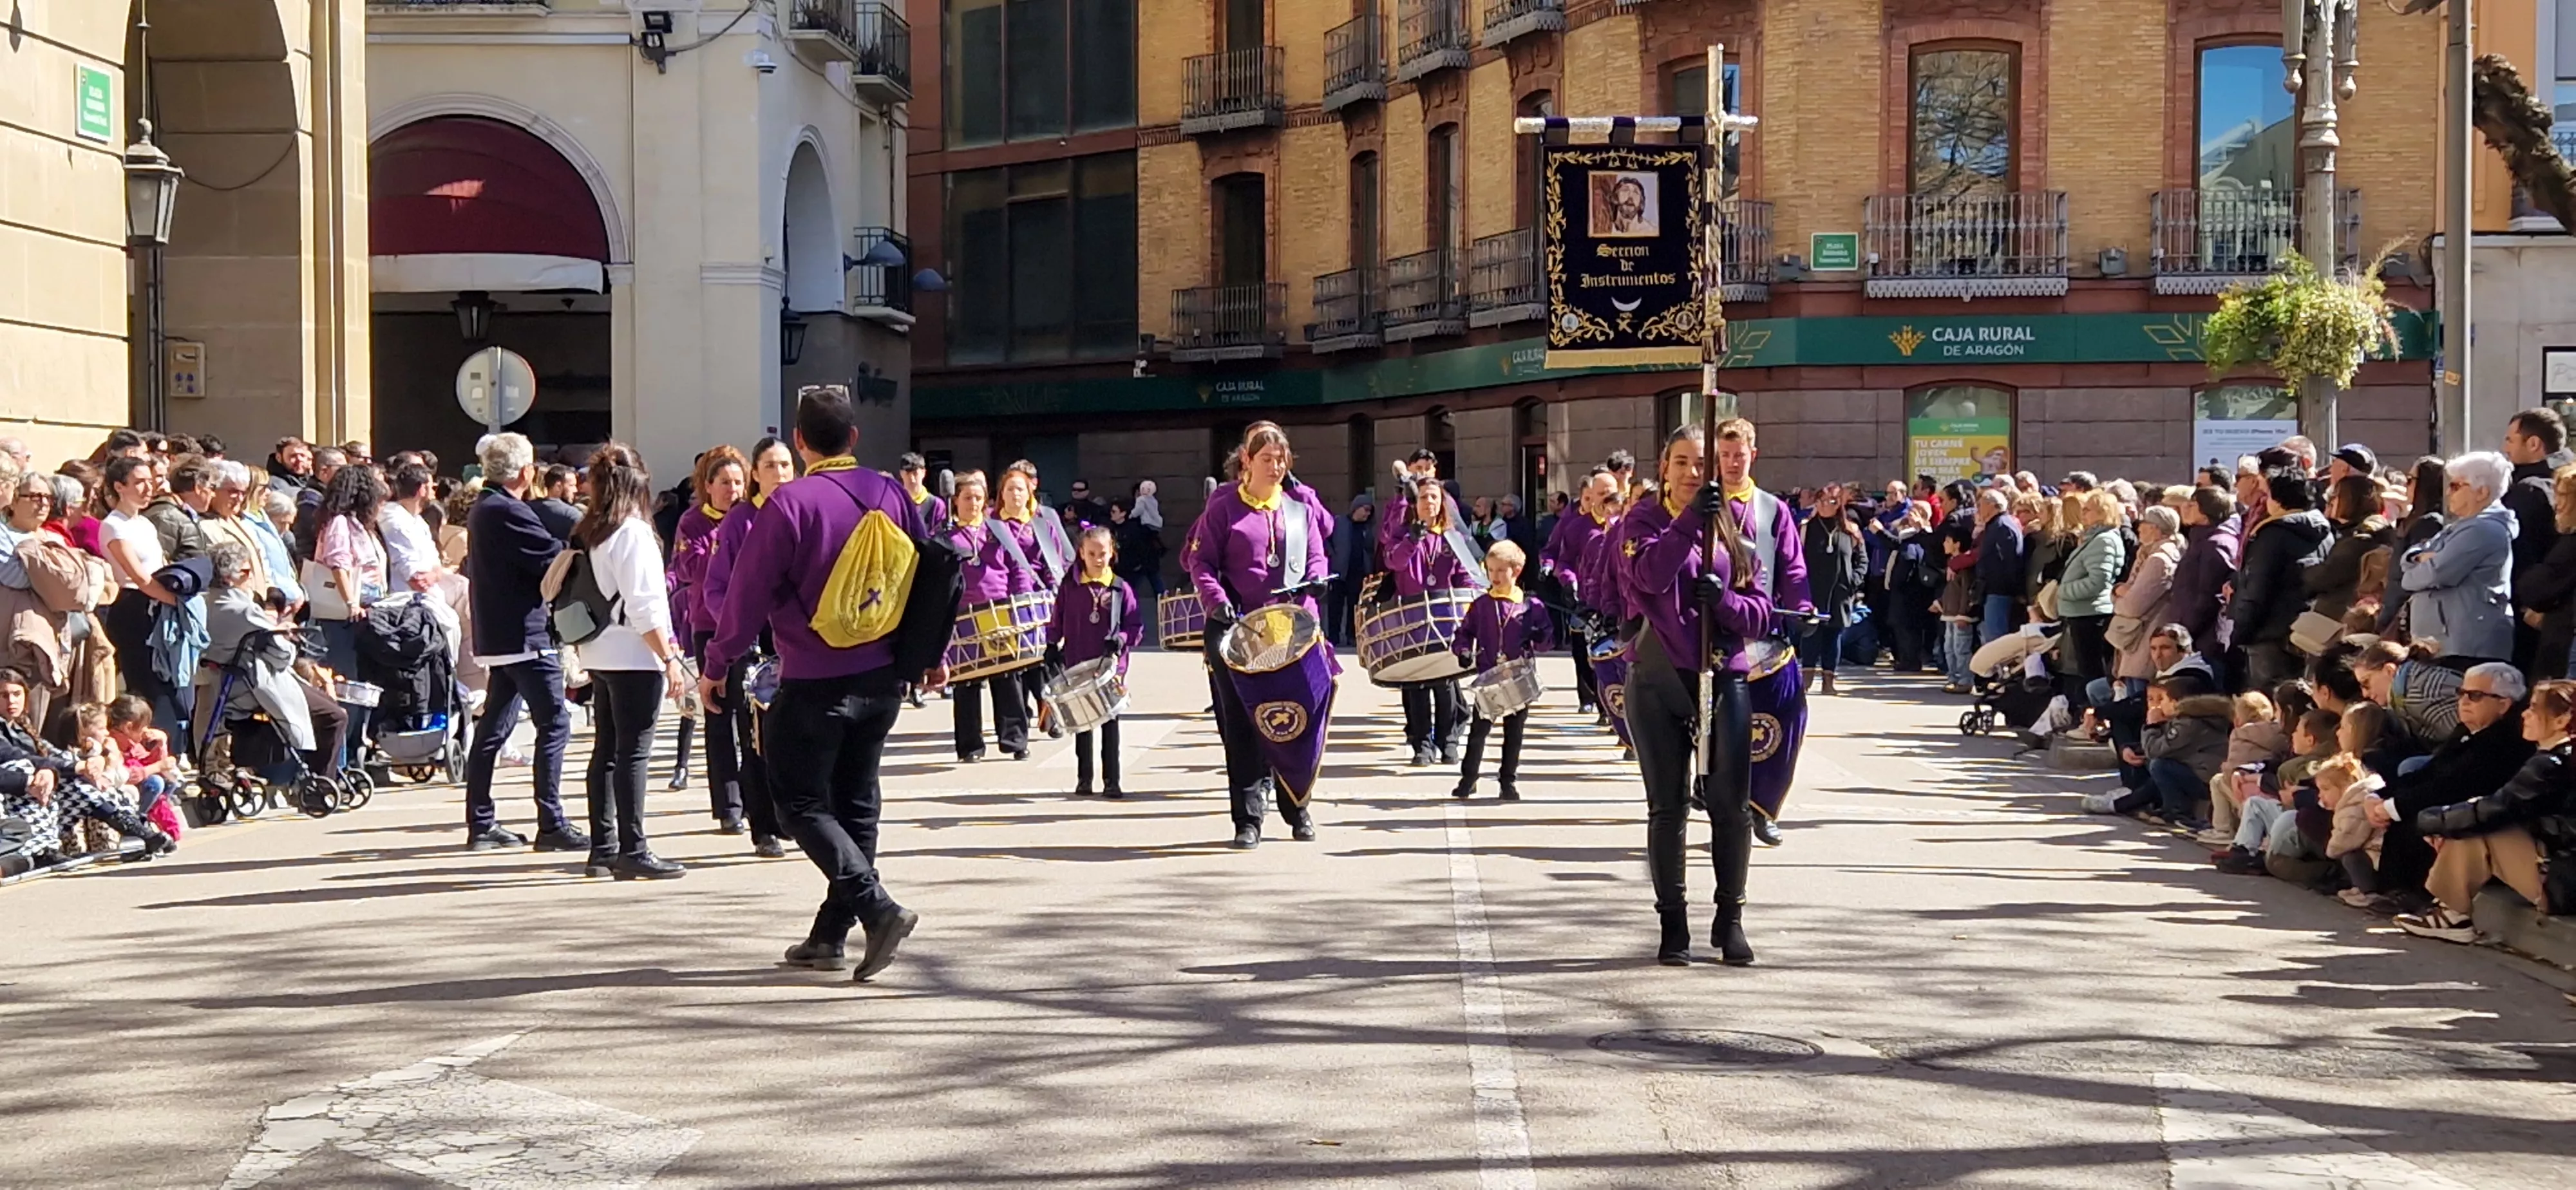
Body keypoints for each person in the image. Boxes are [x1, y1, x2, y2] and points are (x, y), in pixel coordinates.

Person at [704, 385, 938, 981]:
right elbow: (924, 577)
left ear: (800, 442)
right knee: (857, 802)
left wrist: (717, 665)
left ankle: (877, 909)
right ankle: (831, 936)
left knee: (799, 802)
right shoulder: (890, 490)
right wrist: (929, 653)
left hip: (814, 679)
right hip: (883, 676)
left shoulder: (789, 505)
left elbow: (746, 596)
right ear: (854, 438)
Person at [1620, 422, 1777, 967]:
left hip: (1722, 672)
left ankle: (1730, 919)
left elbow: (1760, 607)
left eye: (1701, 464)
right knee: (1668, 807)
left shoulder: (1733, 523)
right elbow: (1647, 578)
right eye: (1681, 462)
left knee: (1732, 806)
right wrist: (1689, 523)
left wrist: (1727, 605)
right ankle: (1673, 923)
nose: (1692, 473)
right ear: (1664, 467)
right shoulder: (1642, 519)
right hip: (1659, 677)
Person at [1184, 422, 1334, 850]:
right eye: (1267, 459)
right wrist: (1215, 601)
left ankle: (1297, 806)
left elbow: (1316, 556)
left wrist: (1318, 579)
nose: (1276, 466)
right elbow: (1202, 564)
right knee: (1245, 726)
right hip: (1239, 631)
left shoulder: (1298, 508)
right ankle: (1247, 819)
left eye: (1282, 459)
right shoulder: (1225, 506)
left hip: (1291, 631)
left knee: (1295, 720)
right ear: (1246, 461)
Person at [459, 433, 587, 854]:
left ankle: (482, 822)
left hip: (504, 634)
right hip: (524, 634)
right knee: (554, 723)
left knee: (494, 727)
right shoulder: (506, 510)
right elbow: (550, 557)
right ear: (526, 471)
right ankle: (550, 822)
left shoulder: (489, 507)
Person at [565, 448, 689, 881]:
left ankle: (604, 848)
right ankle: (633, 847)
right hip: (635, 653)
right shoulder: (634, 534)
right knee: (633, 752)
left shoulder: (593, 531)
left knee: (607, 750)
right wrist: (670, 658)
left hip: (599, 649)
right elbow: (647, 607)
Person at [2394, 676, 2576, 942]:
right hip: (2561, 871)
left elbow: (2498, 808)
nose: (2525, 714)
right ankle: (2450, 913)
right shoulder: (2558, 760)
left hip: (2563, 880)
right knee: (2472, 818)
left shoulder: (2551, 764)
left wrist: (2431, 821)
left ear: (2562, 720)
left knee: (2478, 826)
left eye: (2535, 709)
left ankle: (2452, 914)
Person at [2368, 661, 2536, 912]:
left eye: (2476, 696)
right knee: (2408, 799)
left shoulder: (2506, 742)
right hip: (2457, 805)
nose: (2464, 701)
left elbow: (2454, 786)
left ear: (2504, 704)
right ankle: (2389, 888)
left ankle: (2417, 894)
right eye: (2462, 693)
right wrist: (2380, 796)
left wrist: (2392, 806)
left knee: (2426, 816)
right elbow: (2433, 771)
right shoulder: (2468, 730)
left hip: (2486, 821)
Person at [700, 436, 795, 858]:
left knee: (796, 735)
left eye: (786, 465)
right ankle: (763, 826)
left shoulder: (802, 511)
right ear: (755, 474)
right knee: (755, 735)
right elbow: (716, 589)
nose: (780, 474)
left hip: (802, 642)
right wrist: (741, 627)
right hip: (754, 645)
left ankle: (794, 813)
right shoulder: (740, 522)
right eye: (771, 466)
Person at [0, 668, 171, 864]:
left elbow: (50, 753)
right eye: (4, 696)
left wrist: (90, 763)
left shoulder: (22, 726)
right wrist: (73, 767)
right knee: (40, 772)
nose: (12, 701)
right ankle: (43, 850)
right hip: (13, 795)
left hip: (37, 794)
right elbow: (16, 757)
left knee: (79, 779)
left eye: (16, 694)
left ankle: (139, 831)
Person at [671, 447, 749, 831]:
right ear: (708, 487)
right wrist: (723, 554)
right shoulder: (693, 522)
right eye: (724, 483)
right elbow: (687, 568)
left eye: (738, 482)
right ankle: (728, 805)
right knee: (719, 717)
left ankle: (758, 800)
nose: (732, 490)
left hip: (751, 624)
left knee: (752, 715)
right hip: (710, 626)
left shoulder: (755, 517)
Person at [96, 457, 187, 757]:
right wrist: (178, 602)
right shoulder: (113, 526)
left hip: (158, 607)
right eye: (139, 482)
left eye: (150, 481)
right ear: (120, 487)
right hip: (134, 608)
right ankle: (147, 754)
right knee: (146, 687)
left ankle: (169, 753)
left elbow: (160, 568)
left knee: (167, 685)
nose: (149, 488)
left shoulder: (145, 523)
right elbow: (139, 577)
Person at [947, 471, 1037, 762]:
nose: (973, 504)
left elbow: (1018, 568)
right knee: (966, 683)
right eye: (967, 498)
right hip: (963, 618)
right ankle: (970, 747)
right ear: (955, 501)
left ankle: (1015, 740)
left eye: (978, 498)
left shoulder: (997, 530)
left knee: (1008, 678)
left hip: (1000, 612)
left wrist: (1021, 605)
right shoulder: (945, 537)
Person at [1452, 540, 1552, 800]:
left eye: (1501, 571)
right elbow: (1464, 632)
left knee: (1514, 733)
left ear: (1516, 571)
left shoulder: (1531, 606)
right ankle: (1469, 778)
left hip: (1518, 676)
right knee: (1479, 731)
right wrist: (1462, 650)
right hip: (1489, 677)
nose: (1494, 576)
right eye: (1491, 570)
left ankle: (1508, 781)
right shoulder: (1482, 604)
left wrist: (1539, 635)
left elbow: (1547, 641)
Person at [1048, 525, 1141, 797]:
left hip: (1109, 667)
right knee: (1082, 724)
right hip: (1077, 662)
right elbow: (1058, 617)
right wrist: (1052, 643)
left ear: (1111, 553)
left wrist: (1122, 639)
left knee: (1110, 723)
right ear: (1082, 553)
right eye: (1092, 554)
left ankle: (1112, 780)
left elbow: (1135, 624)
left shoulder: (1120, 589)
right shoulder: (1070, 586)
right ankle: (1084, 777)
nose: (1098, 559)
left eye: (1103, 553)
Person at [1387, 475, 1473, 766]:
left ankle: (1448, 741)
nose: (1429, 502)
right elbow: (1395, 563)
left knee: (1445, 683)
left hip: (1444, 617)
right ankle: (1422, 744)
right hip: (1412, 616)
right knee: (1417, 684)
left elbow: (1465, 578)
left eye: (1435, 497)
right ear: (1416, 503)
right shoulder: (1402, 533)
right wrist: (1413, 538)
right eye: (1424, 497)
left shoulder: (1453, 537)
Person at [2401, 451, 2518, 664]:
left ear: (2481, 492)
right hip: (2446, 642)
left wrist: (2419, 568)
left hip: (2466, 645)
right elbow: (2410, 557)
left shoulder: (2483, 529)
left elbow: (2437, 573)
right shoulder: (2459, 526)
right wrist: (2419, 560)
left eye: (2456, 486)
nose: (2448, 492)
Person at [2231, 467, 2334, 693]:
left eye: (2267, 495)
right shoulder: (2325, 532)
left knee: (2269, 707)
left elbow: (2257, 587)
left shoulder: (2272, 534)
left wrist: (2240, 631)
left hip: (2268, 635)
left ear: (2277, 500)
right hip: (2304, 631)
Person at [2503, 408, 2575, 671]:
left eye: (2510, 440)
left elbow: (2520, 554)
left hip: (2538, 615)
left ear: (2534, 444)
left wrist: (2530, 602)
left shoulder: (2529, 490)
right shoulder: (2557, 480)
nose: (2505, 448)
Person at [2054, 489, 2127, 704]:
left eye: (2088, 510)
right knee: (2086, 670)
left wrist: (2063, 590)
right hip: (2082, 612)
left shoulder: (2104, 540)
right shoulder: (2094, 538)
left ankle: (2095, 717)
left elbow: (2098, 582)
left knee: (2092, 671)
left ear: (2103, 513)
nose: (2083, 514)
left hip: (2091, 613)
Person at [2109, 505, 2184, 694]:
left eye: (2144, 524)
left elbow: (2133, 606)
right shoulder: (2148, 553)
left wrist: (2118, 596)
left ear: (2156, 529)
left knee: (2139, 696)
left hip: (2147, 634)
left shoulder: (2160, 559)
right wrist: (2122, 590)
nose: (2139, 528)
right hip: (2140, 636)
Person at [1797, 483, 1864, 695]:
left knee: (1833, 636)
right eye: (1823, 501)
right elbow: (1795, 558)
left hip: (1840, 592)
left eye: (1833, 501)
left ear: (1839, 505)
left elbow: (1862, 559)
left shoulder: (1849, 529)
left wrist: (1853, 581)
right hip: (1813, 591)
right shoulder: (1807, 527)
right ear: (1816, 502)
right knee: (1811, 634)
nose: (1827, 506)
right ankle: (1806, 680)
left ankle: (1829, 681)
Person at [2305, 473, 2395, 621]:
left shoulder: (2362, 537)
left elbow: (2324, 577)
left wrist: (2304, 566)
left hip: (2341, 617)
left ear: (2349, 500)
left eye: (2336, 496)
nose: (2330, 501)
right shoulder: (2378, 529)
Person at [2518, 464, 2576, 683]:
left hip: (2565, 645)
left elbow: (2538, 588)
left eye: (2563, 496)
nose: (2557, 505)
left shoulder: (2571, 544)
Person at [1971, 487, 2026, 645]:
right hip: (1992, 590)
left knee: (1997, 639)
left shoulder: (2003, 526)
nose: (1978, 509)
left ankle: (2000, 669)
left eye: (1981, 504)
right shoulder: (1995, 525)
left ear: (1992, 505)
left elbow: (2011, 560)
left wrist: (2014, 589)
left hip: (2000, 591)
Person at [1325, 495, 1376, 648]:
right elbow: (1326, 540)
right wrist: (1332, 556)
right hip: (1339, 572)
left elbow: (1370, 550)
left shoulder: (1368, 529)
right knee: (1335, 607)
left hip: (1358, 573)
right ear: (1356, 508)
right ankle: (1333, 636)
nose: (1367, 514)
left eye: (1369, 512)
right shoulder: (1339, 522)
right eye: (1365, 510)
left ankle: (1351, 636)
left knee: (1355, 607)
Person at [895, 452, 947, 529]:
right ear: (901, 474)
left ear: (924, 473)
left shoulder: (937, 505)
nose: (912, 479)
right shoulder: (895, 503)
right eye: (907, 474)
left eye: (915, 474)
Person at [530, 464, 580, 542]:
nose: (576, 490)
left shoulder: (528, 508)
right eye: (572, 485)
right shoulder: (572, 515)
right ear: (558, 486)